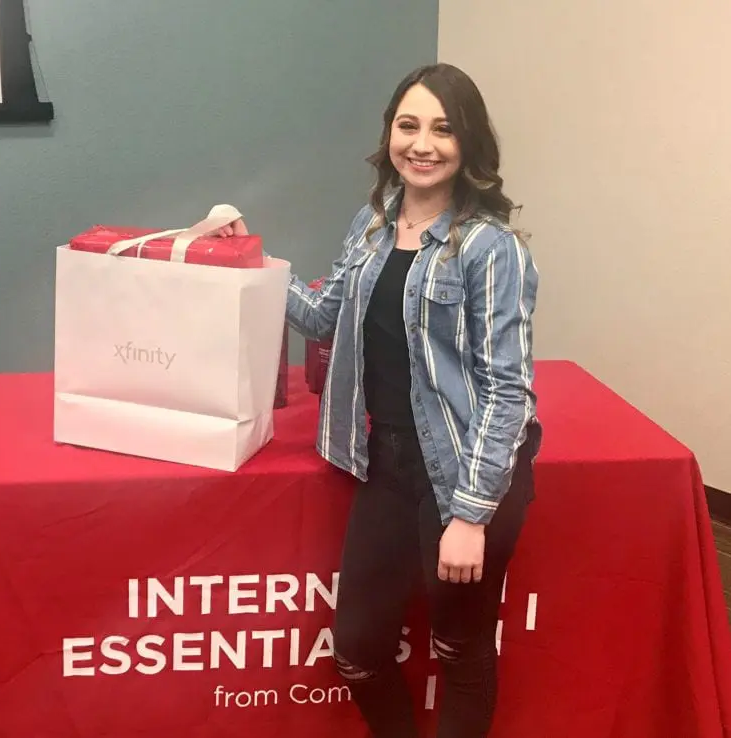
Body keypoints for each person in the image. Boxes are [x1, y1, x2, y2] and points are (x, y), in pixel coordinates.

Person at [215, 63, 540, 738]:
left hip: (464, 472)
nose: (422, 144)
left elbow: (507, 389)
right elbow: (324, 317)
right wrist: (250, 259)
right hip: (388, 463)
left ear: (468, 143)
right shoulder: (371, 223)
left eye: (443, 129)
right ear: (389, 133)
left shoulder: (488, 247)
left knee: (461, 649)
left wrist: (471, 515)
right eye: (408, 125)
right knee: (358, 650)